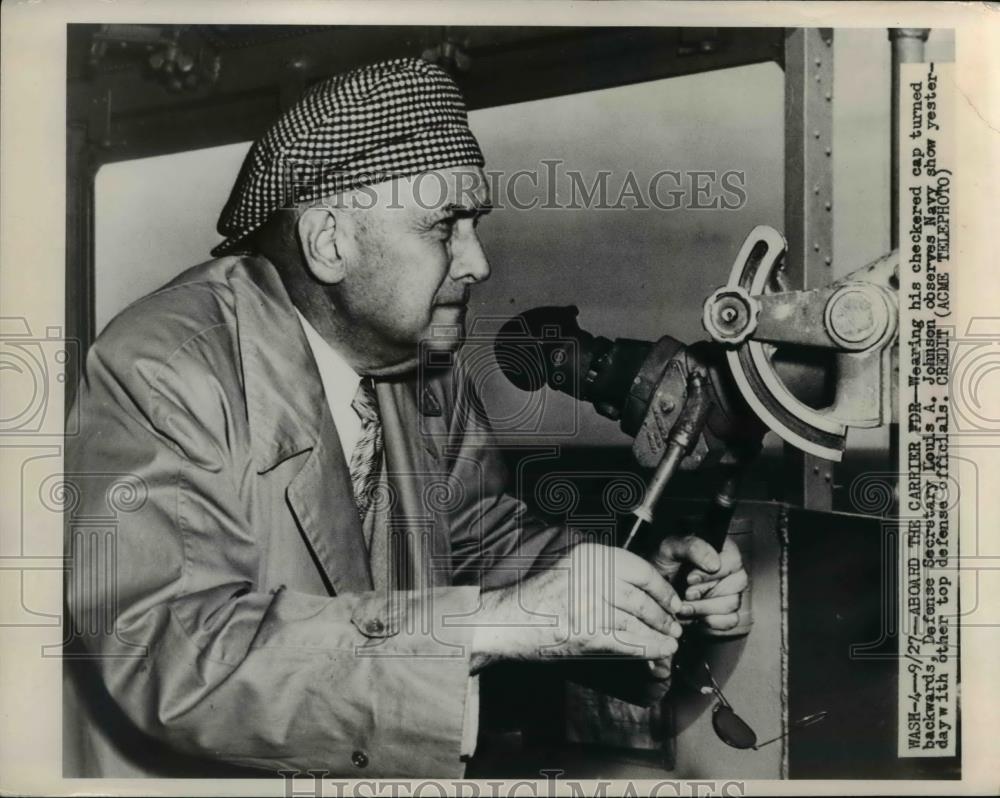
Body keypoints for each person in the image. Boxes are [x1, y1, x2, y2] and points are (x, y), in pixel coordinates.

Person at [64, 57, 747, 778]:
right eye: (444, 227)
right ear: (330, 242)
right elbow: (171, 651)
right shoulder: (166, 368)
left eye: (475, 224)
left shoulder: (422, 370)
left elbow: (479, 544)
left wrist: (633, 584)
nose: (477, 261)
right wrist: (500, 623)